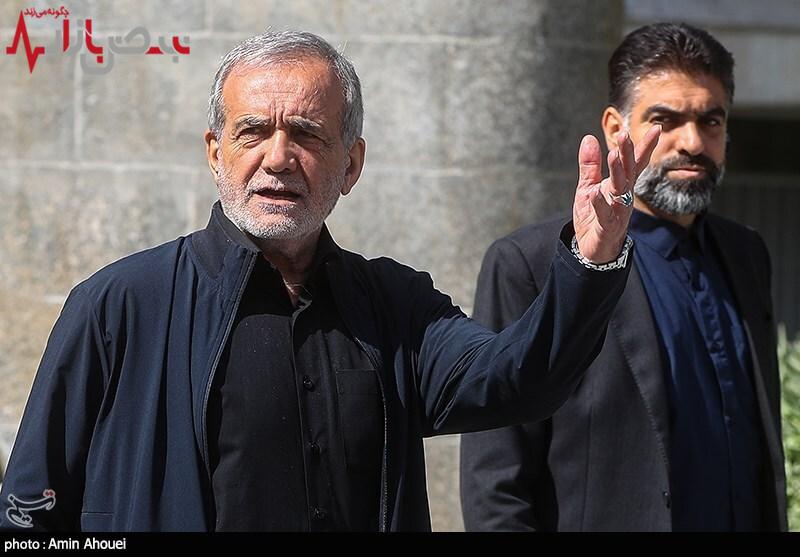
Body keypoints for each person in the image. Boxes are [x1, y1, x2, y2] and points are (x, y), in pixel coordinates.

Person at [0, 30, 658, 532]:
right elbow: (30, 516)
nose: (277, 157)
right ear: (215, 153)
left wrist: (590, 261)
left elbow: (519, 377)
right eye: (252, 131)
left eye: (307, 134)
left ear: (351, 164)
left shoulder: (393, 307)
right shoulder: (120, 306)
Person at [460, 22, 787, 532]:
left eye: (711, 120)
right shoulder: (529, 263)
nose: (692, 142)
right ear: (616, 129)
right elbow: (495, 479)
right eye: (664, 120)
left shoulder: (746, 254)